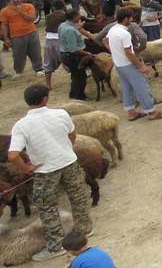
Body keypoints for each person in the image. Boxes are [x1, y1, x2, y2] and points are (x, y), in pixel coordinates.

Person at [7, 84, 93, 261]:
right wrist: (65, 148)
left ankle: (57, 245)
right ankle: (84, 230)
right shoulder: (61, 114)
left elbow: (13, 155)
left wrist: (26, 168)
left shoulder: (21, 125)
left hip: (45, 170)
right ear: (45, 99)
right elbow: (72, 134)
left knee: (47, 206)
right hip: (69, 162)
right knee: (78, 197)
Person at [104, 8, 162, 121]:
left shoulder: (113, 29)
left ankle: (131, 112)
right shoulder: (125, 34)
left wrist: (115, 52)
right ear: (125, 19)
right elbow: (129, 52)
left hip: (119, 65)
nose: (132, 20)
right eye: (130, 18)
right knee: (142, 87)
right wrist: (141, 66)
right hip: (128, 64)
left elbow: (105, 40)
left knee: (127, 88)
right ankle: (151, 112)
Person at [0, 0, 43, 78]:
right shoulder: (4, 11)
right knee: (18, 54)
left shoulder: (29, 6)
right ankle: (18, 71)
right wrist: (6, 38)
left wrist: (21, 12)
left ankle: (38, 69)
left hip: (31, 32)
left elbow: (32, 19)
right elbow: (4, 25)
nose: (18, 0)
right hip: (16, 36)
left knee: (35, 52)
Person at [58, 9, 94, 100]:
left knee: (75, 76)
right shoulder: (70, 30)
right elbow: (73, 49)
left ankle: (73, 94)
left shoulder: (63, 25)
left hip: (64, 54)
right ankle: (79, 96)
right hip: (72, 56)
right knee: (80, 76)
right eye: (78, 15)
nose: (79, 17)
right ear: (74, 17)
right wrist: (87, 53)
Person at [42, 0, 67, 90]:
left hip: (49, 40)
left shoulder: (48, 17)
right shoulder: (65, 16)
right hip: (61, 40)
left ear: (53, 8)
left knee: (48, 63)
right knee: (69, 62)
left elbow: (46, 29)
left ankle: (48, 85)